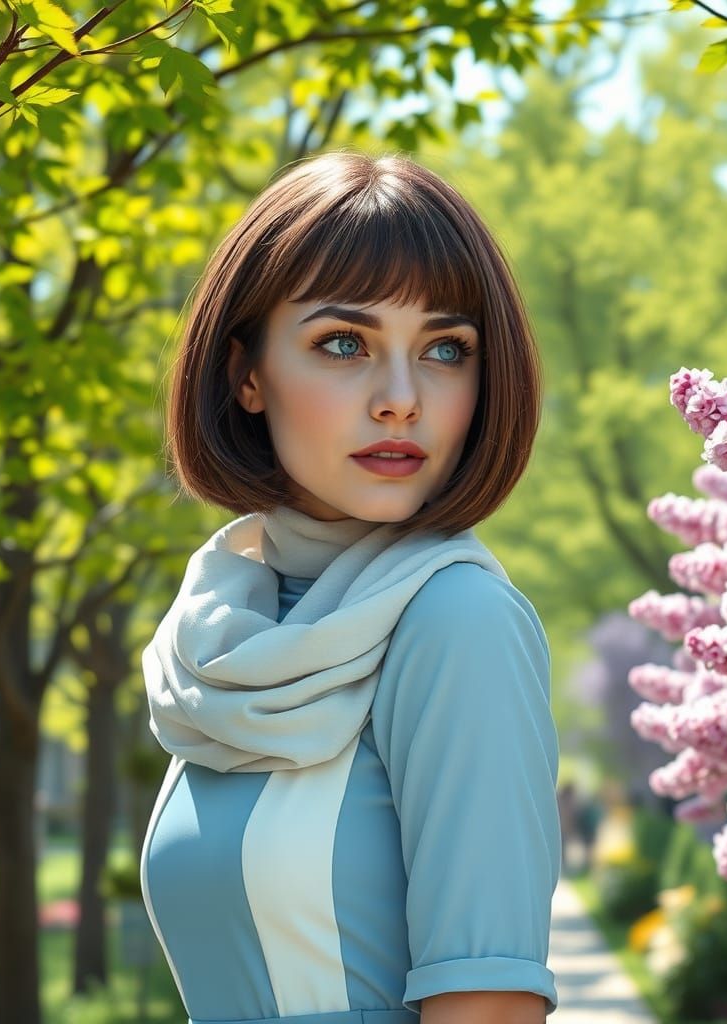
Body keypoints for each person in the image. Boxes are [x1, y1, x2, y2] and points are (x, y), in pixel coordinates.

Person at [139, 149, 562, 1024]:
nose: (401, 398)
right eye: (345, 344)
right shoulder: (224, 627)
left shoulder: (456, 622)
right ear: (244, 374)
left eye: (446, 348)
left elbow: (488, 1003)